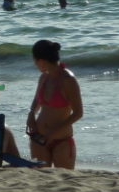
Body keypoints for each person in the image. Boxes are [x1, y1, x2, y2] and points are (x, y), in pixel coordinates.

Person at [26, 39, 83, 169]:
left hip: (61, 140)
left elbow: (78, 113)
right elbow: (37, 101)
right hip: (39, 139)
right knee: (41, 179)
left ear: (41, 60)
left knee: (64, 182)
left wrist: (52, 133)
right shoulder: (44, 77)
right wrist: (31, 114)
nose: (35, 64)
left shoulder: (68, 80)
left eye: (35, 61)